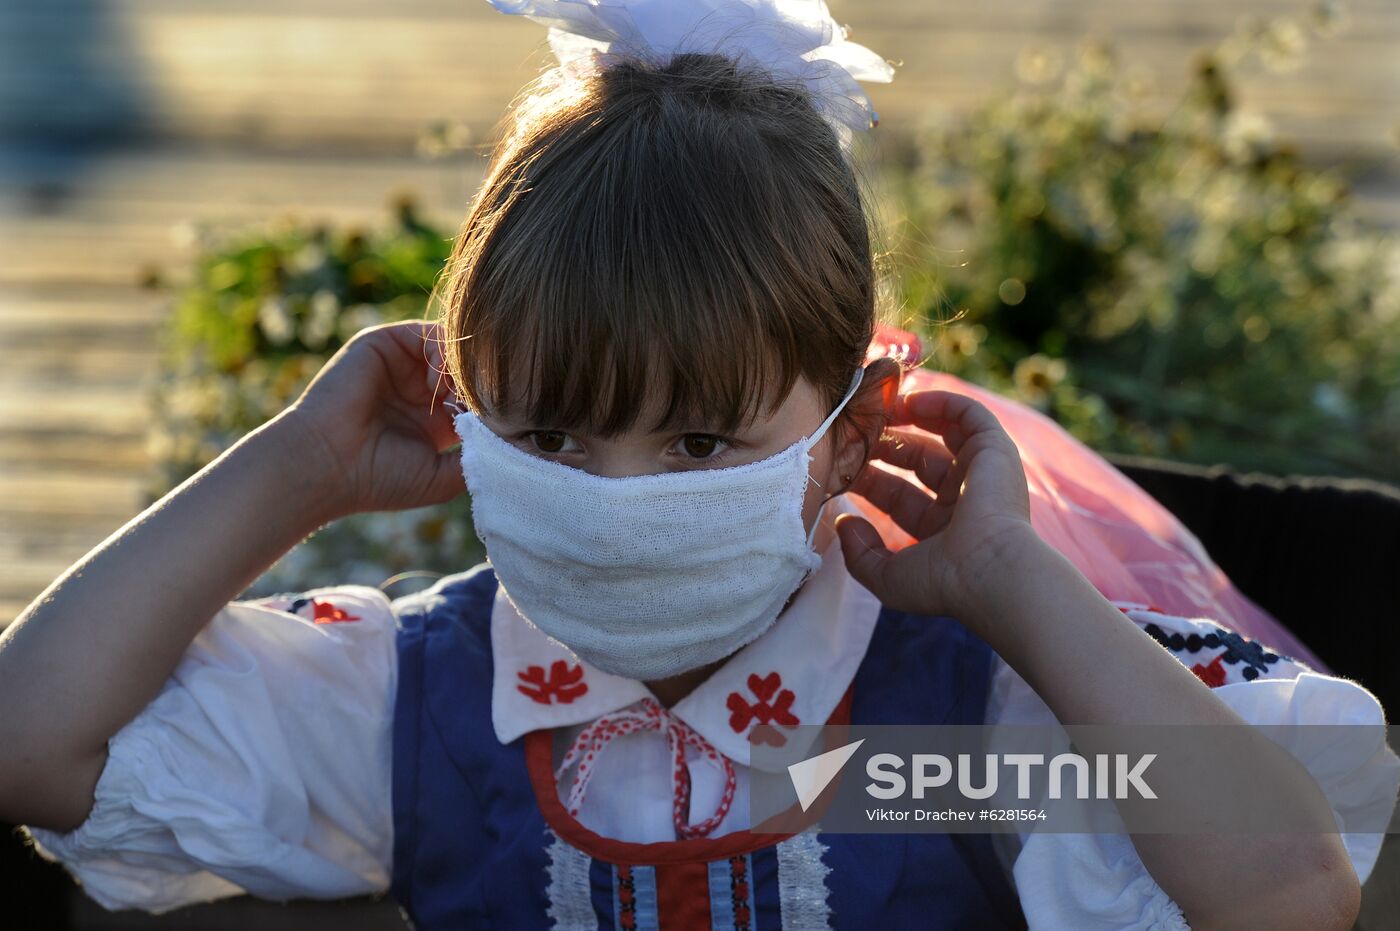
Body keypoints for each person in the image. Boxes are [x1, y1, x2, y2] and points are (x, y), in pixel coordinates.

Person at [2, 1, 1396, 928]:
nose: (618, 500)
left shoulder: (931, 737)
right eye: (549, 436)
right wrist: (296, 466)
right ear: (466, 413)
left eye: (700, 441)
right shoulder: (420, 710)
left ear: (853, 428)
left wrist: (1014, 583)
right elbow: (30, 739)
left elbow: (1285, 892)